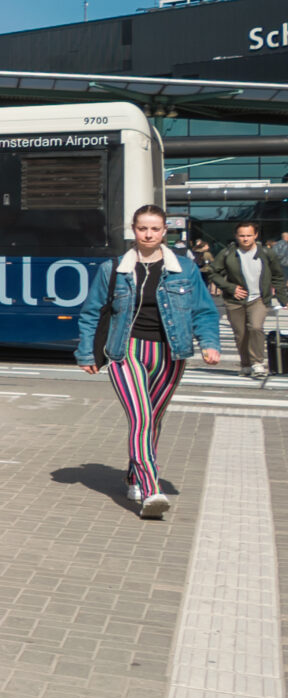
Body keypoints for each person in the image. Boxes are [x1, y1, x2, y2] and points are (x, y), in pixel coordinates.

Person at [74, 204, 221, 518]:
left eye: (155, 228)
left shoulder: (185, 269)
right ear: (134, 229)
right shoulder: (114, 269)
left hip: (170, 354)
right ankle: (152, 489)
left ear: (165, 231)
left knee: (152, 421)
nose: (149, 234)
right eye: (143, 228)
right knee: (140, 419)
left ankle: (133, 476)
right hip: (125, 352)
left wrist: (209, 343)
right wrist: (87, 352)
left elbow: (204, 311)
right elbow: (90, 313)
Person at [207, 221, 279, 384]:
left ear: (255, 235)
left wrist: (283, 297)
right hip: (235, 300)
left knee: (255, 327)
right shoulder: (228, 253)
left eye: (248, 235)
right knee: (241, 334)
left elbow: (278, 275)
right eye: (242, 235)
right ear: (236, 236)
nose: (245, 239)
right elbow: (213, 272)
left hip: (259, 298)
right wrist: (231, 287)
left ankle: (258, 363)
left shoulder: (267, 253)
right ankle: (245, 364)